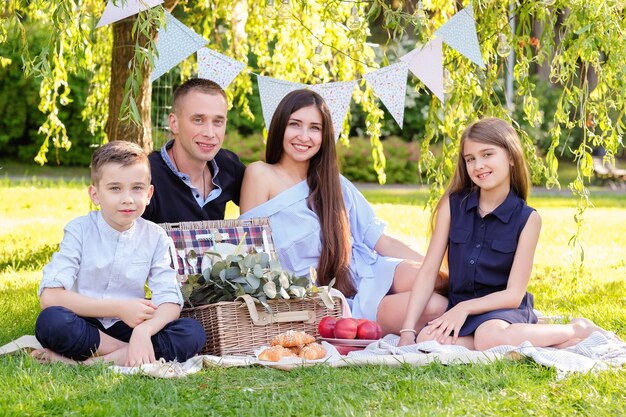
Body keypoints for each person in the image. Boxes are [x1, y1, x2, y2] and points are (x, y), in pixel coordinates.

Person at [239, 89, 447, 335]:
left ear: (325, 135)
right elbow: (250, 253)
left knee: (439, 278)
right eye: (295, 124)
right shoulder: (261, 174)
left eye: (315, 128)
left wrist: (437, 266)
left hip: (365, 270)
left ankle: (491, 304)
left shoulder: (334, 182)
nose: (304, 136)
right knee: (436, 305)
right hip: (331, 298)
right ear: (279, 127)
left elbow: (380, 240)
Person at [398, 117, 603, 350]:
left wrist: (465, 308)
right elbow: (428, 271)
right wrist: (407, 331)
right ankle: (541, 342)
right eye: (470, 159)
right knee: (426, 339)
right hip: (460, 310)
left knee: (489, 335)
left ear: (511, 157)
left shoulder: (528, 219)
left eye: (487, 154)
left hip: (504, 310)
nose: (478, 166)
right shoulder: (452, 205)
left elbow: (514, 294)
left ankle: (576, 329)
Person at [32, 141, 206, 366]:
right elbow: (50, 297)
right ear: (95, 194)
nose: (128, 198)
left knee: (192, 332)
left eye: (137, 188)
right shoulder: (80, 229)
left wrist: (143, 332)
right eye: (115, 188)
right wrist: (119, 308)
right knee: (52, 322)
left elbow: (170, 299)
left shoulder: (156, 236)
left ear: (149, 193)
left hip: (131, 327)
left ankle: (85, 363)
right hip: (86, 322)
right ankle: (129, 354)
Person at [142, 78, 246, 223]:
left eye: (218, 122)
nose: (209, 133)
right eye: (198, 120)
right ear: (174, 123)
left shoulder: (228, 165)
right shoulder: (146, 174)